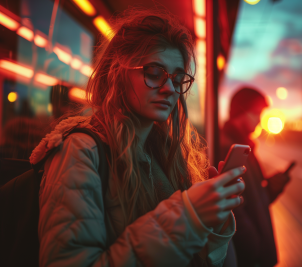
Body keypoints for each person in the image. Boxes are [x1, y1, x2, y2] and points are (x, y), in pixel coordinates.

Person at [31, 10, 246, 267]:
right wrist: (186, 218)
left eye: (178, 79)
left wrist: (211, 220)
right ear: (117, 72)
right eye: (154, 72)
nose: (170, 88)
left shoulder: (167, 152)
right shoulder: (80, 152)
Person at [220, 87, 291, 267]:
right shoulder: (227, 149)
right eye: (257, 113)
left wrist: (273, 187)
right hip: (250, 258)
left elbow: (254, 199)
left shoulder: (245, 148)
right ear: (241, 112)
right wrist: (254, 245)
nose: (260, 121)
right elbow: (232, 207)